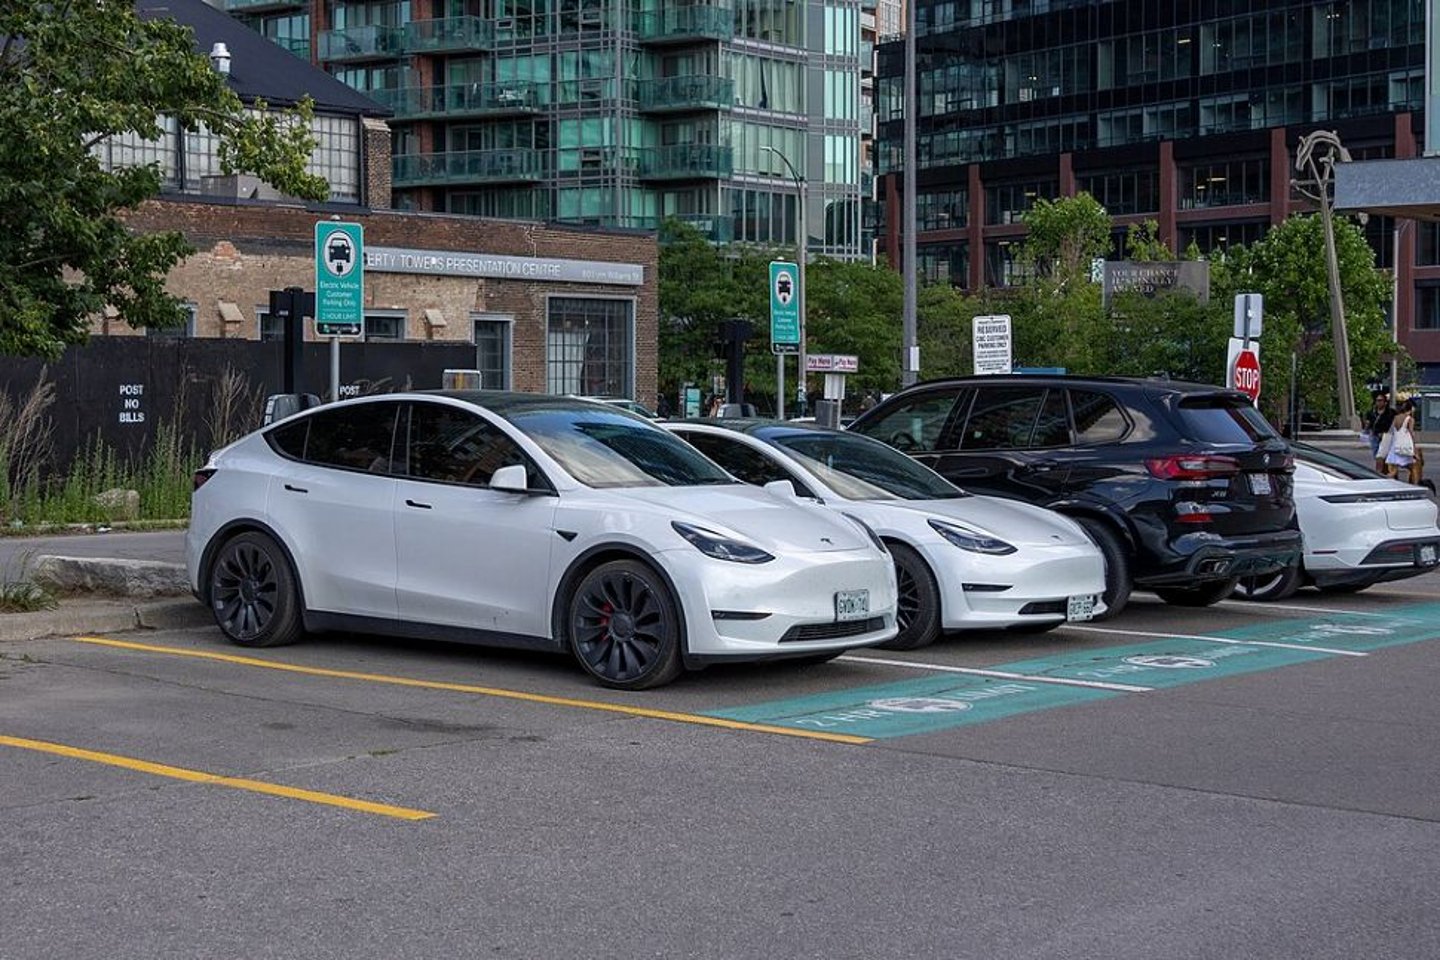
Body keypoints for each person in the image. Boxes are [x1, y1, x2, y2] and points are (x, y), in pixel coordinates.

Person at [1385, 397, 1418, 481]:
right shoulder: (1410, 419)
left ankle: (1383, 481)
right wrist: (1414, 449)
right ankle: (1414, 486)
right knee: (1413, 468)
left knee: (1393, 471)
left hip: (1395, 446)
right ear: (1411, 408)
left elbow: (1391, 431)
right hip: (1405, 448)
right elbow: (1411, 433)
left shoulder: (1396, 417)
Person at [1367, 391, 1396, 473]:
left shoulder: (1391, 413)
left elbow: (1393, 424)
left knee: (1384, 455)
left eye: (1380, 400)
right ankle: (1381, 471)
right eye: (1377, 400)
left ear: (1385, 402)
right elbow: (1369, 423)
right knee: (1377, 455)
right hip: (1374, 435)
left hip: (1386, 436)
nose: (1378, 403)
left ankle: (1383, 471)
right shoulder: (1372, 412)